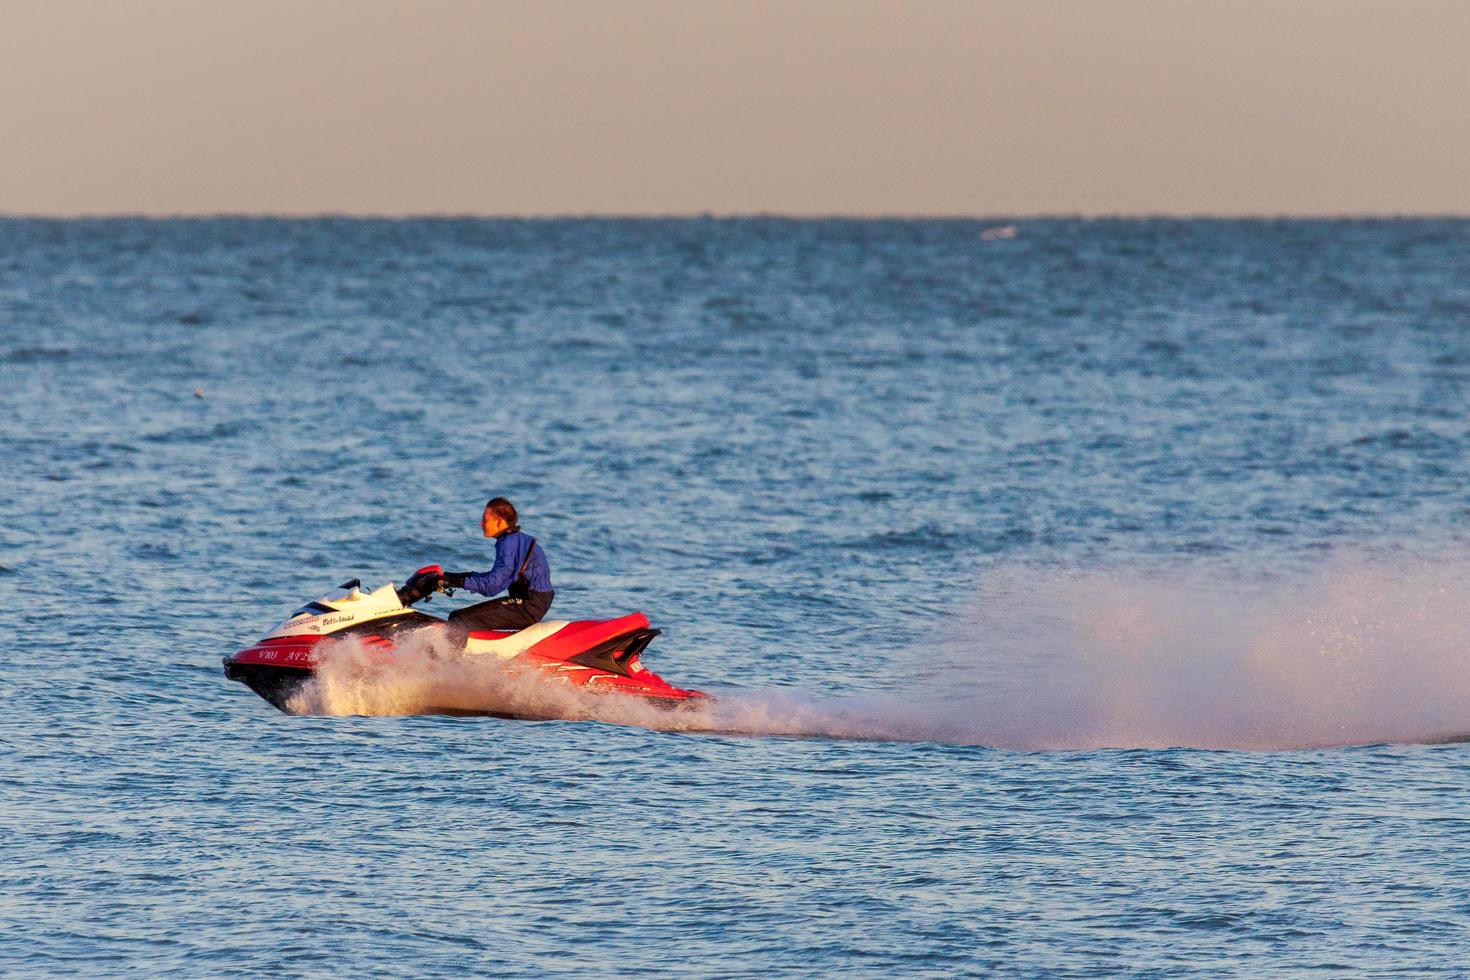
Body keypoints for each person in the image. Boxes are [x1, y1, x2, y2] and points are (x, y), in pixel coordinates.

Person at [441, 497, 555, 633]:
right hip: (532, 602)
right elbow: (497, 577)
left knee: (459, 621)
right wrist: (455, 578)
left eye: (485, 519)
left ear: (499, 520)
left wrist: (456, 581)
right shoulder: (515, 539)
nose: (481, 524)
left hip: (529, 605)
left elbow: (493, 586)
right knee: (457, 617)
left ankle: (449, 654)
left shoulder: (509, 543)